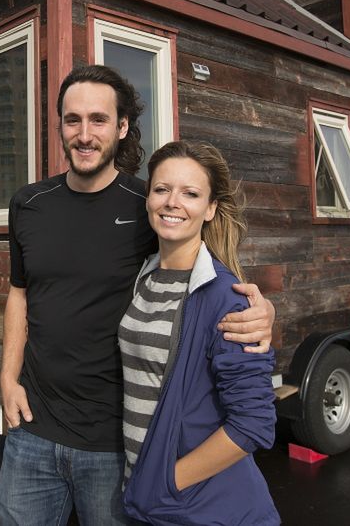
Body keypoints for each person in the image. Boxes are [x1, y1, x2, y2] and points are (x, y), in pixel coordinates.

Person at [0, 65, 276, 524]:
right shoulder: (28, 205)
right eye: (73, 120)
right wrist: (8, 379)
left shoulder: (149, 204)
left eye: (99, 120)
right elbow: (19, 294)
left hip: (115, 444)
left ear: (122, 127)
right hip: (33, 429)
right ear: (60, 126)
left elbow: (206, 270)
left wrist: (262, 310)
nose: (85, 134)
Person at [120, 140, 278, 525]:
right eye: (162, 189)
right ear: (148, 199)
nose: (173, 202)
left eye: (190, 193)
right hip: (150, 500)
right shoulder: (144, 277)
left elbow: (254, 423)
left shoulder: (226, 298)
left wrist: (165, 483)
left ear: (209, 209)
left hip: (199, 507)